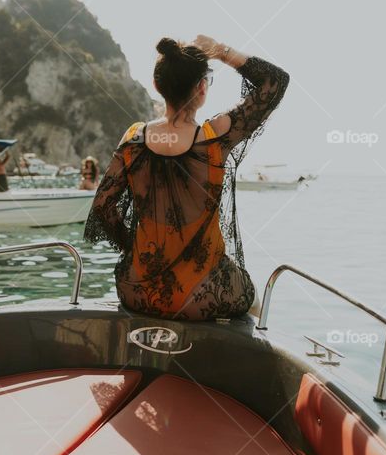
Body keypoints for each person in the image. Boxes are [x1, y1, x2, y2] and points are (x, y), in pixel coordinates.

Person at [84, 35, 289, 320]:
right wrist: (221, 52)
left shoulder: (134, 138)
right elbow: (274, 82)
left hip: (139, 292)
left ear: (157, 86)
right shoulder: (215, 136)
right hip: (204, 295)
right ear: (202, 88)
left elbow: (102, 208)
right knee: (253, 306)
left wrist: (135, 249)